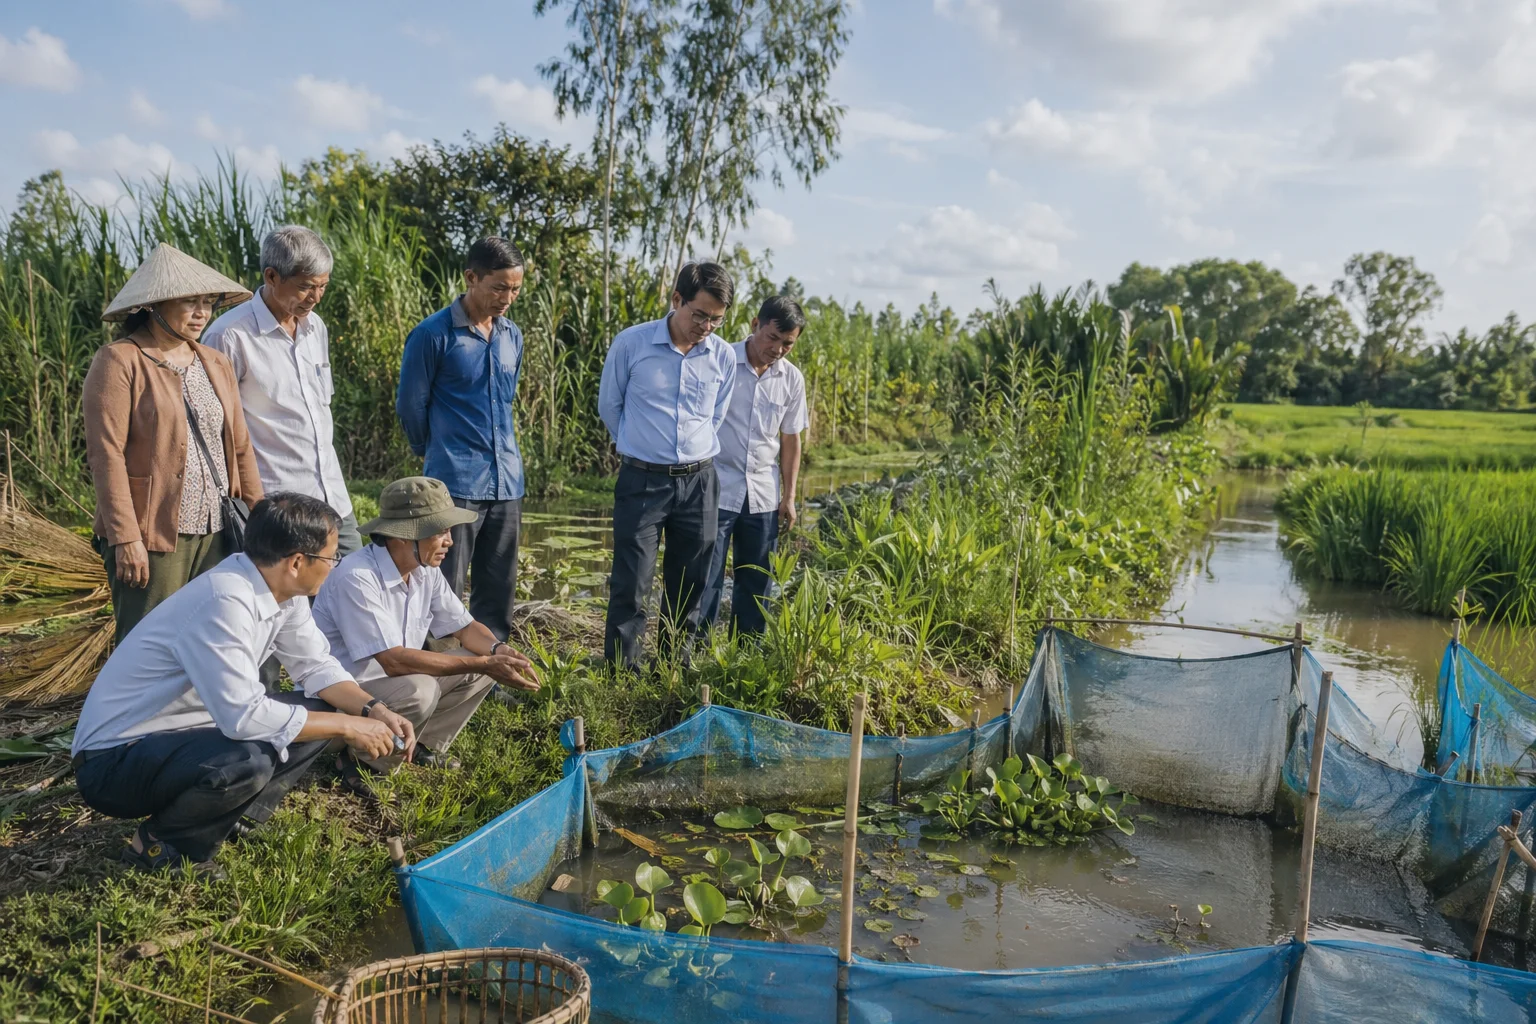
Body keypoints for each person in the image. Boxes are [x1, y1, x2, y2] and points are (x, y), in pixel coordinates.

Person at [70, 493, 414, 878]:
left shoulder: (283, 592)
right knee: (248, 758)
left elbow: (317, 665)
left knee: (326, 710)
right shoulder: (225, 600)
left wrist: (373, 711)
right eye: (331, 558)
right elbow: (243, 716)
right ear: (297, 562)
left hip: (183, 735)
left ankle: (233, 816)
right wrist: (349, 727)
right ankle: (159, 845)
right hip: (114, 762)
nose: (335, 567)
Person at [85, 242, 265, 641]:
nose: (202, 312)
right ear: (154, 305)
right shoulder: (120, 360)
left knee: (212, 638)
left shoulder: (213, 361)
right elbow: (106, 455)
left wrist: (260, 515)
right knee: (148, 642)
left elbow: (239, 446)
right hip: (155, 533)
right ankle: (133, 708)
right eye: (189, 302)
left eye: (208, 302)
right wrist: (126, 538)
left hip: (218, 527)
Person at [313, 476, 540, 790]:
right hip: (344, 699)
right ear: (405, 536)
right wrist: (481, 663)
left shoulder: (425, 571)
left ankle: (418, 744)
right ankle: (361, 759)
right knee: (421, 690)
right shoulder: (357, 576)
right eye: (440, 532)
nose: (450, 541)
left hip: (390, 688)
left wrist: (499, 652)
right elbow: (393, 662)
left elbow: (466, 627)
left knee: (485, 661)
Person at [597, 261, 737, 669]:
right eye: (700, 315)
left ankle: (675, 667)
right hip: (643, 478)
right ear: (677, 300)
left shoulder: (723, 356)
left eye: (716, 320)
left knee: (692, 580)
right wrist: (642, 446)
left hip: (699, 481)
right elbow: (611, 406)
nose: (706, 326)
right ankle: (623, 671)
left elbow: (716, 417)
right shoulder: (632, 344)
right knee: (631, 578)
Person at [397, 238, 528, 645]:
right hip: (454, 482)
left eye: (516, 289)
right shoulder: (432, 335)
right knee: (445, 587)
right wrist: (433, 453)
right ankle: (444, 673)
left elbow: (506, 401)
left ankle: (489, 672)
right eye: (499, 288)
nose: (508, 298)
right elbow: (410, 407)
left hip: (507, 481)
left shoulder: (511, 336)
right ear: (471, 278)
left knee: (498, 585)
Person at [203, 225, 362, 555]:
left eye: (323, 286)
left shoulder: (315, 326)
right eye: (306, 287)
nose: (316, 297)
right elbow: (217, 432)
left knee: (352, 595)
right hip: (281, 509)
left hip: (334, 499)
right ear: (272, 277)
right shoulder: (230, 336)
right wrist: (252, 503)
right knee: (293, 604)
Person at [700, 296, 808, 636]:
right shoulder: (721, 360)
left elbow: (791, 441)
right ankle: (692, 654)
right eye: (772, 338)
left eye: (788, 343)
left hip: (762, 493)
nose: (777, 349)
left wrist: (788, 497)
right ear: (755, 325)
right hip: (716, 486)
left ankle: (745, 657)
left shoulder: (791, 379)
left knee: (757, 581)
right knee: (706, 576)